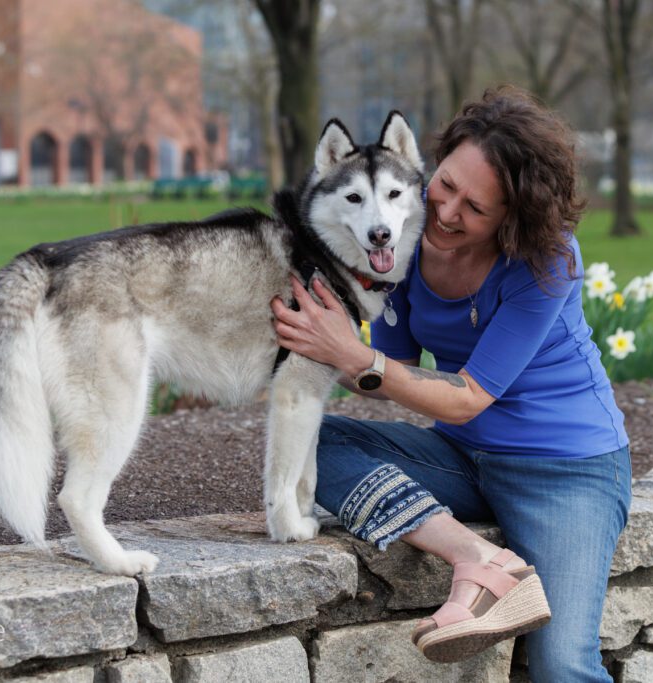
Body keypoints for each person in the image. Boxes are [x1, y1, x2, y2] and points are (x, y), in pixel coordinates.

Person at [270, 86, 630, 681]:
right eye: (446, 184)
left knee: (563, 665)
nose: (447, 210)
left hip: (569, 470)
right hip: (464, 459)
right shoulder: (403, 244)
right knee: (311, 439)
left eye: (477, 208)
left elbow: (467, 398)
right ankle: (478, 559)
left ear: (513, 221)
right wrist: (323, 339)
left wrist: (354, 353)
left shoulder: (548, 260)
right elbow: (380, 373)